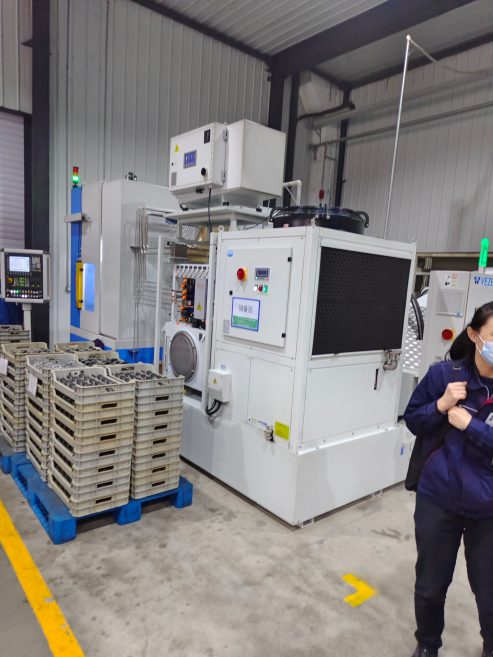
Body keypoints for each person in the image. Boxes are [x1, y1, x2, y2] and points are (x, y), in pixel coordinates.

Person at [405, 302, 493, 657]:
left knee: (489, 592)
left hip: (488, 506)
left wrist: (471, 426)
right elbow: (413, 419)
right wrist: (440, 406)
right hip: (438, 498)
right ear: (474, 335)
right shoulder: (444, 376)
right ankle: (427, 646)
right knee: (430, 586)